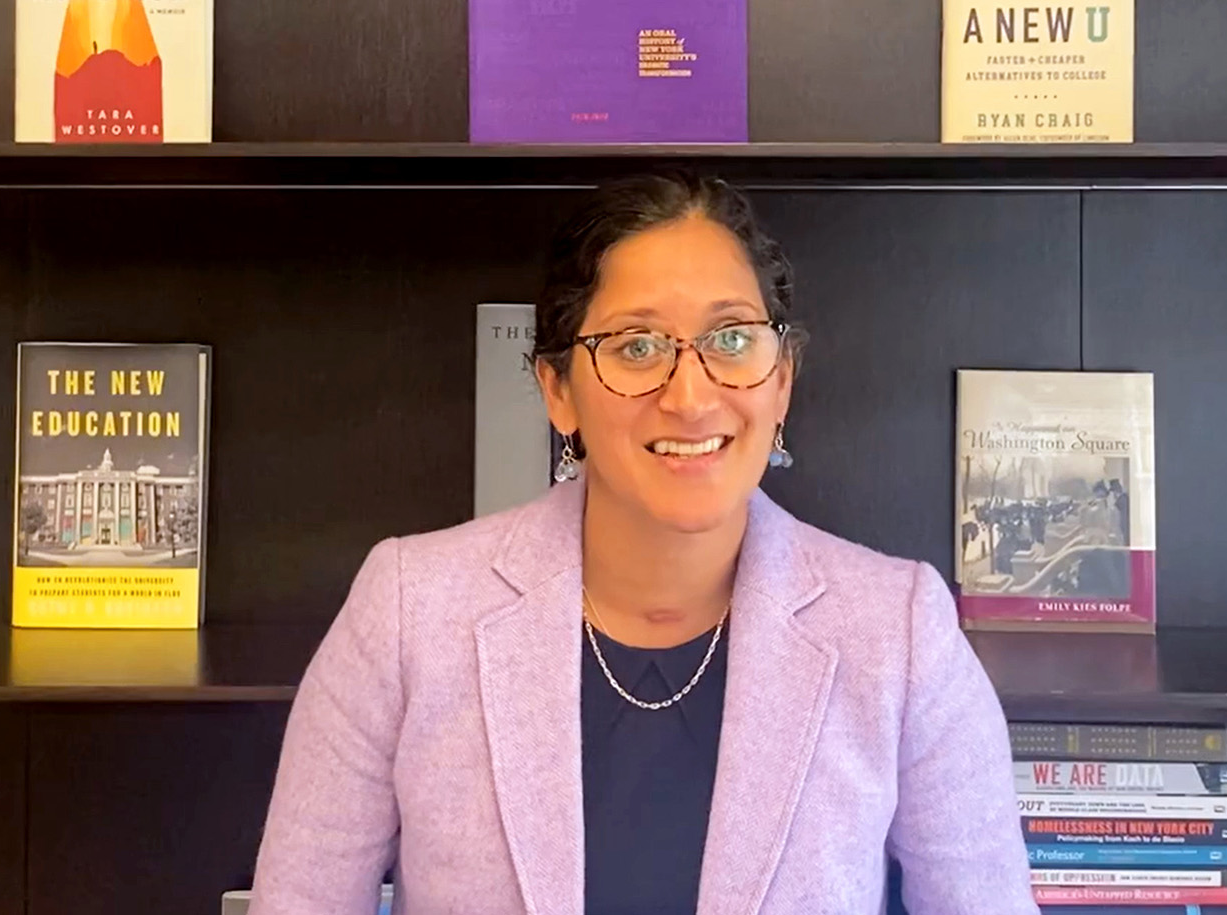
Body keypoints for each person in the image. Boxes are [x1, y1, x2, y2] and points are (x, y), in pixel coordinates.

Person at [247, 172, 1036, 915]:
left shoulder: (898, 633)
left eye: (731, 339)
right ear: (557, 390)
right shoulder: (408, 612)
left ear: (782, 378)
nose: (690, 396)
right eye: (635, 346)